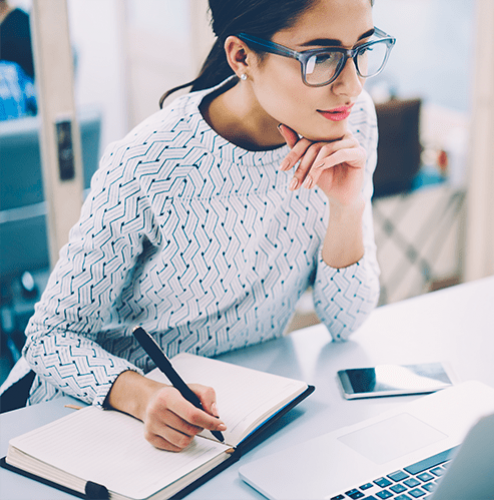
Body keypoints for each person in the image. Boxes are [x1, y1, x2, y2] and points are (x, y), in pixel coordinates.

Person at [4, 0, 392, 452]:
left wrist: (347, 206)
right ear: (241, 56)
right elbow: (51, 338)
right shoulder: (149, 163)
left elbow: (346, 321)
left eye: (362, 49)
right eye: (321, 57)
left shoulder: (351, 121)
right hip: (89, 417)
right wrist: (142, 395)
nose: (351, 85)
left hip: (229, 417)